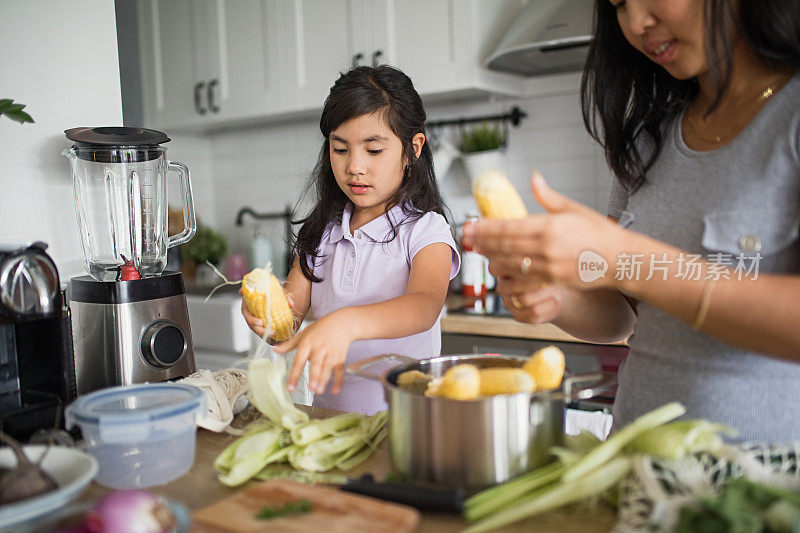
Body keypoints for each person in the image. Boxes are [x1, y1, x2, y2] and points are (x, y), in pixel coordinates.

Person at [462, 0, 800, 442]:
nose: (636, 23)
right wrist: (557, 297)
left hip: (760, 487)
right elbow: (623, 314)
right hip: (635, 466)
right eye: (619, 5)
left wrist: (624, 256)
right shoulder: (648, 139)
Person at [242, 65, 459, 415]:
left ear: (412, 149)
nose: (354, 166)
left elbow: (424, 306)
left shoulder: (426, 230)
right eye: (340, 149)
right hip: (331, 422)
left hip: (407, 427)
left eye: (373, 151)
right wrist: (265, 318)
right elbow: (288, 324)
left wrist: (347, 323)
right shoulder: (322, 231)